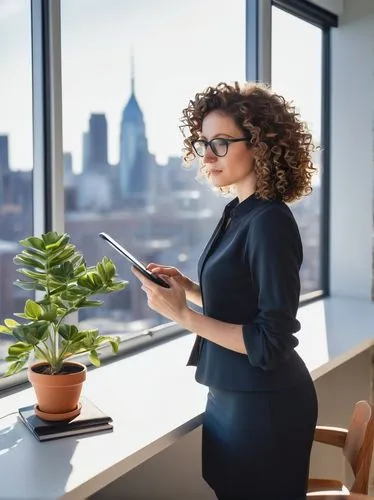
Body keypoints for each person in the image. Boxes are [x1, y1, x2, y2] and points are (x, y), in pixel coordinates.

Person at [131, 81, 318, 500]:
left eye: (220, 142)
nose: (208, 156)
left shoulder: (270, 221)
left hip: (264, 406)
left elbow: (270, 341)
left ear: (260, 145)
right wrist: (189, 289)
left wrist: (182, 315)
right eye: (203, 144)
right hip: (232, 395)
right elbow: (242, 300)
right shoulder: (239, 210)